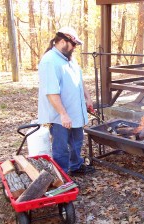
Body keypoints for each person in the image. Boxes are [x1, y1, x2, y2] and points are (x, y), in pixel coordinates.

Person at [38, 26, 95, 175]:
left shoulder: (70, 59)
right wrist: (63, 114)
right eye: (74, 44)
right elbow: (51, 92)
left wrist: (88, 98)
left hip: (75, 111)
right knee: (61, 147)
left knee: (77, 142)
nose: (75, 48)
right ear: (63, 41)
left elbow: (79, 81)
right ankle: (61, 176)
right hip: (60, 116)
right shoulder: (50, 61)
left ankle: (76, 166)